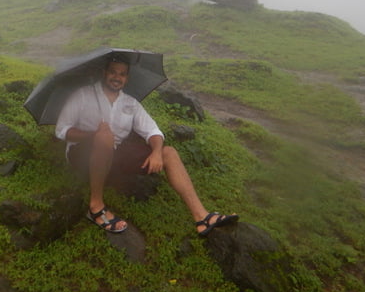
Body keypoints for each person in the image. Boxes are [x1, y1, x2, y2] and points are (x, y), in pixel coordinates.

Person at [55, 55, 239, 235]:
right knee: (104, 136)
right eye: (113, 72)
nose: (117, 77)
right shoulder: (83, 95)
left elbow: (153, 131)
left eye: (122, 74)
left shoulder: (130, 103)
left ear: (126, 78)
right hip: (84, 157)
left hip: (115, 157)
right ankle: (96, 206)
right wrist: (93, 135)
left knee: (168, 152)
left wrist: (157, 152)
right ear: (104, 73)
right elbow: (62, 130)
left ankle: (202, 217)